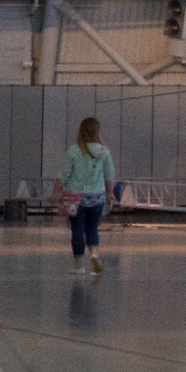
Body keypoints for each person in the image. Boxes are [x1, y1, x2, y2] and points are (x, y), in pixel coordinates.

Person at [61, 115, 114, 277]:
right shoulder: (104, 152)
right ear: (97, 131)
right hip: (97, 197)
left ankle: (79, 266)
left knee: (77, 229)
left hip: (75, 197)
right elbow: (109, 175)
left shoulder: (74, 150)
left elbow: (65, 174)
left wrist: (60, 190)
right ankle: (94, 255)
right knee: (92, 228)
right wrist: (110, 194)